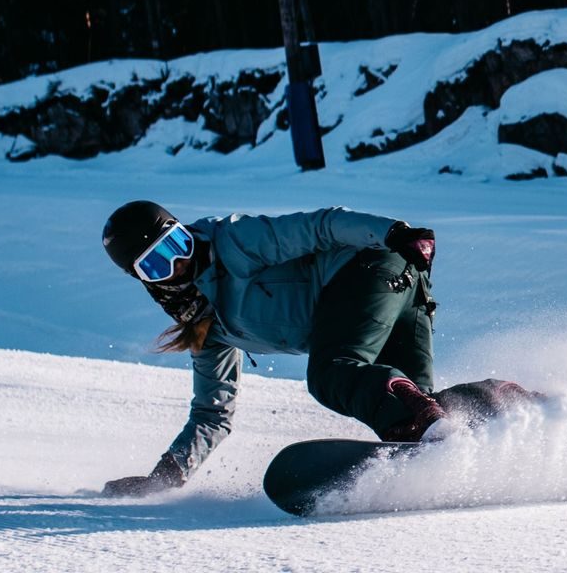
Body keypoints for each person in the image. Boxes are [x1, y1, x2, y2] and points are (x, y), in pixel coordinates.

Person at [100, 201, 536, 497]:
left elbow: (318, 226)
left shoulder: (232, 243)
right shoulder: (203, 326)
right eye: (156, 264)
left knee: (333, 375)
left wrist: (391, 233)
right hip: (379, 293)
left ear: (184, 231)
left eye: (178, 244)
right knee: (414, 406)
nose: (178, 263)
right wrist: (166, 476)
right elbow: (212, 412)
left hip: (371, 267)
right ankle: (510, 403)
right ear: (144, 278)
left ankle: (437, 431)